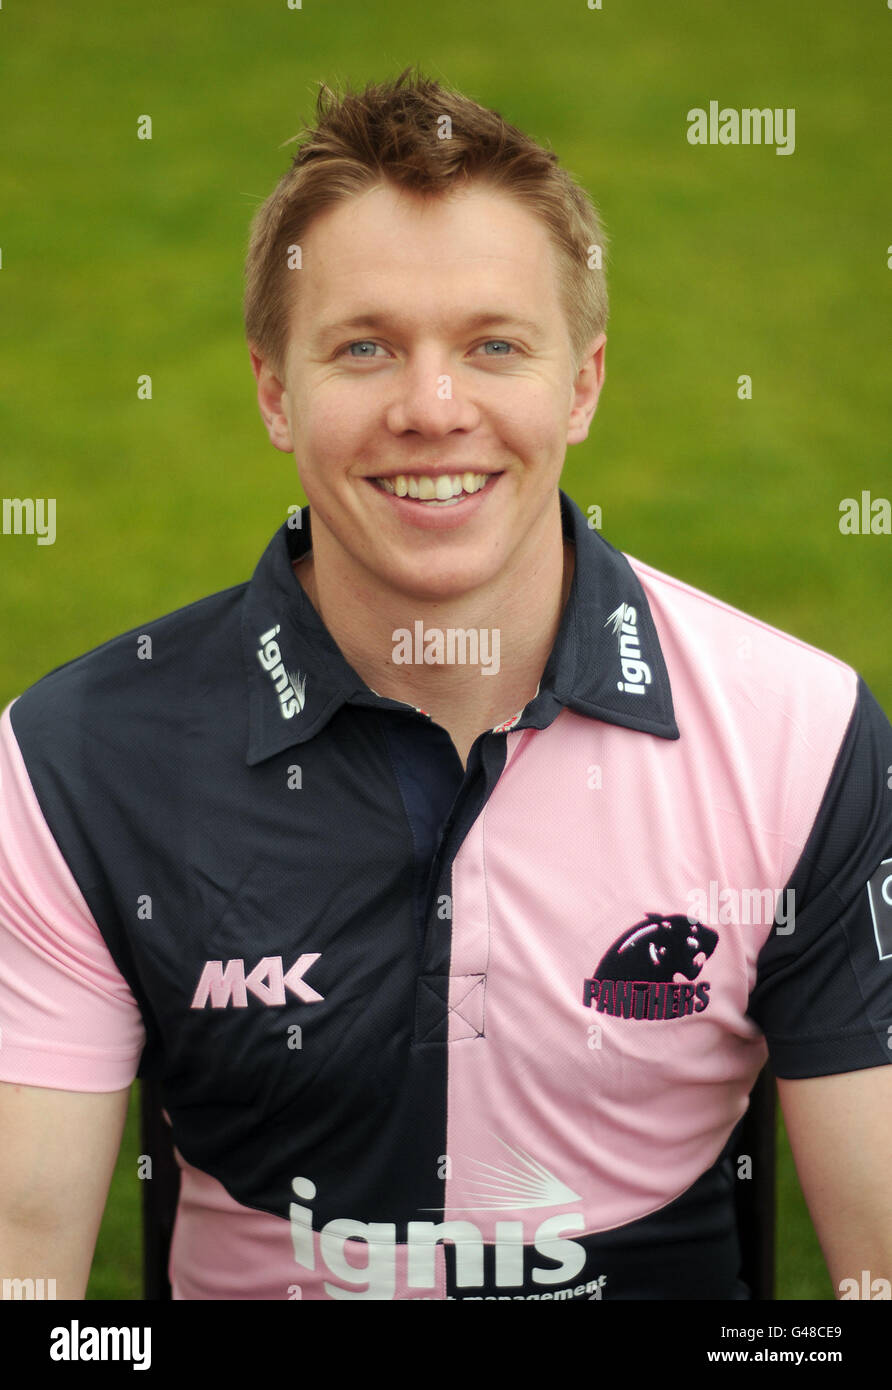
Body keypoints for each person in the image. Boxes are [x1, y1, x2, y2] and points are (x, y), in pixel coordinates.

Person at [1, 67, 890, 1303]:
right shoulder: (76, 760)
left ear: (580, 384)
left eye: (494, 346)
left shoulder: (804, 732)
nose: (432, 409)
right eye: (364, 347)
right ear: (275, 390)